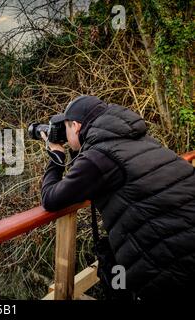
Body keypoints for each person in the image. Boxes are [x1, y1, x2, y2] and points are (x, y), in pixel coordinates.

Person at [40, 95, 195, 300]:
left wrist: (56, 155)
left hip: (171, 260)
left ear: (76, 126)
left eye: (66, 129)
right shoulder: (139, 139)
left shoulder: (99, 157)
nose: (65, 136)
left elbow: (51, 198)